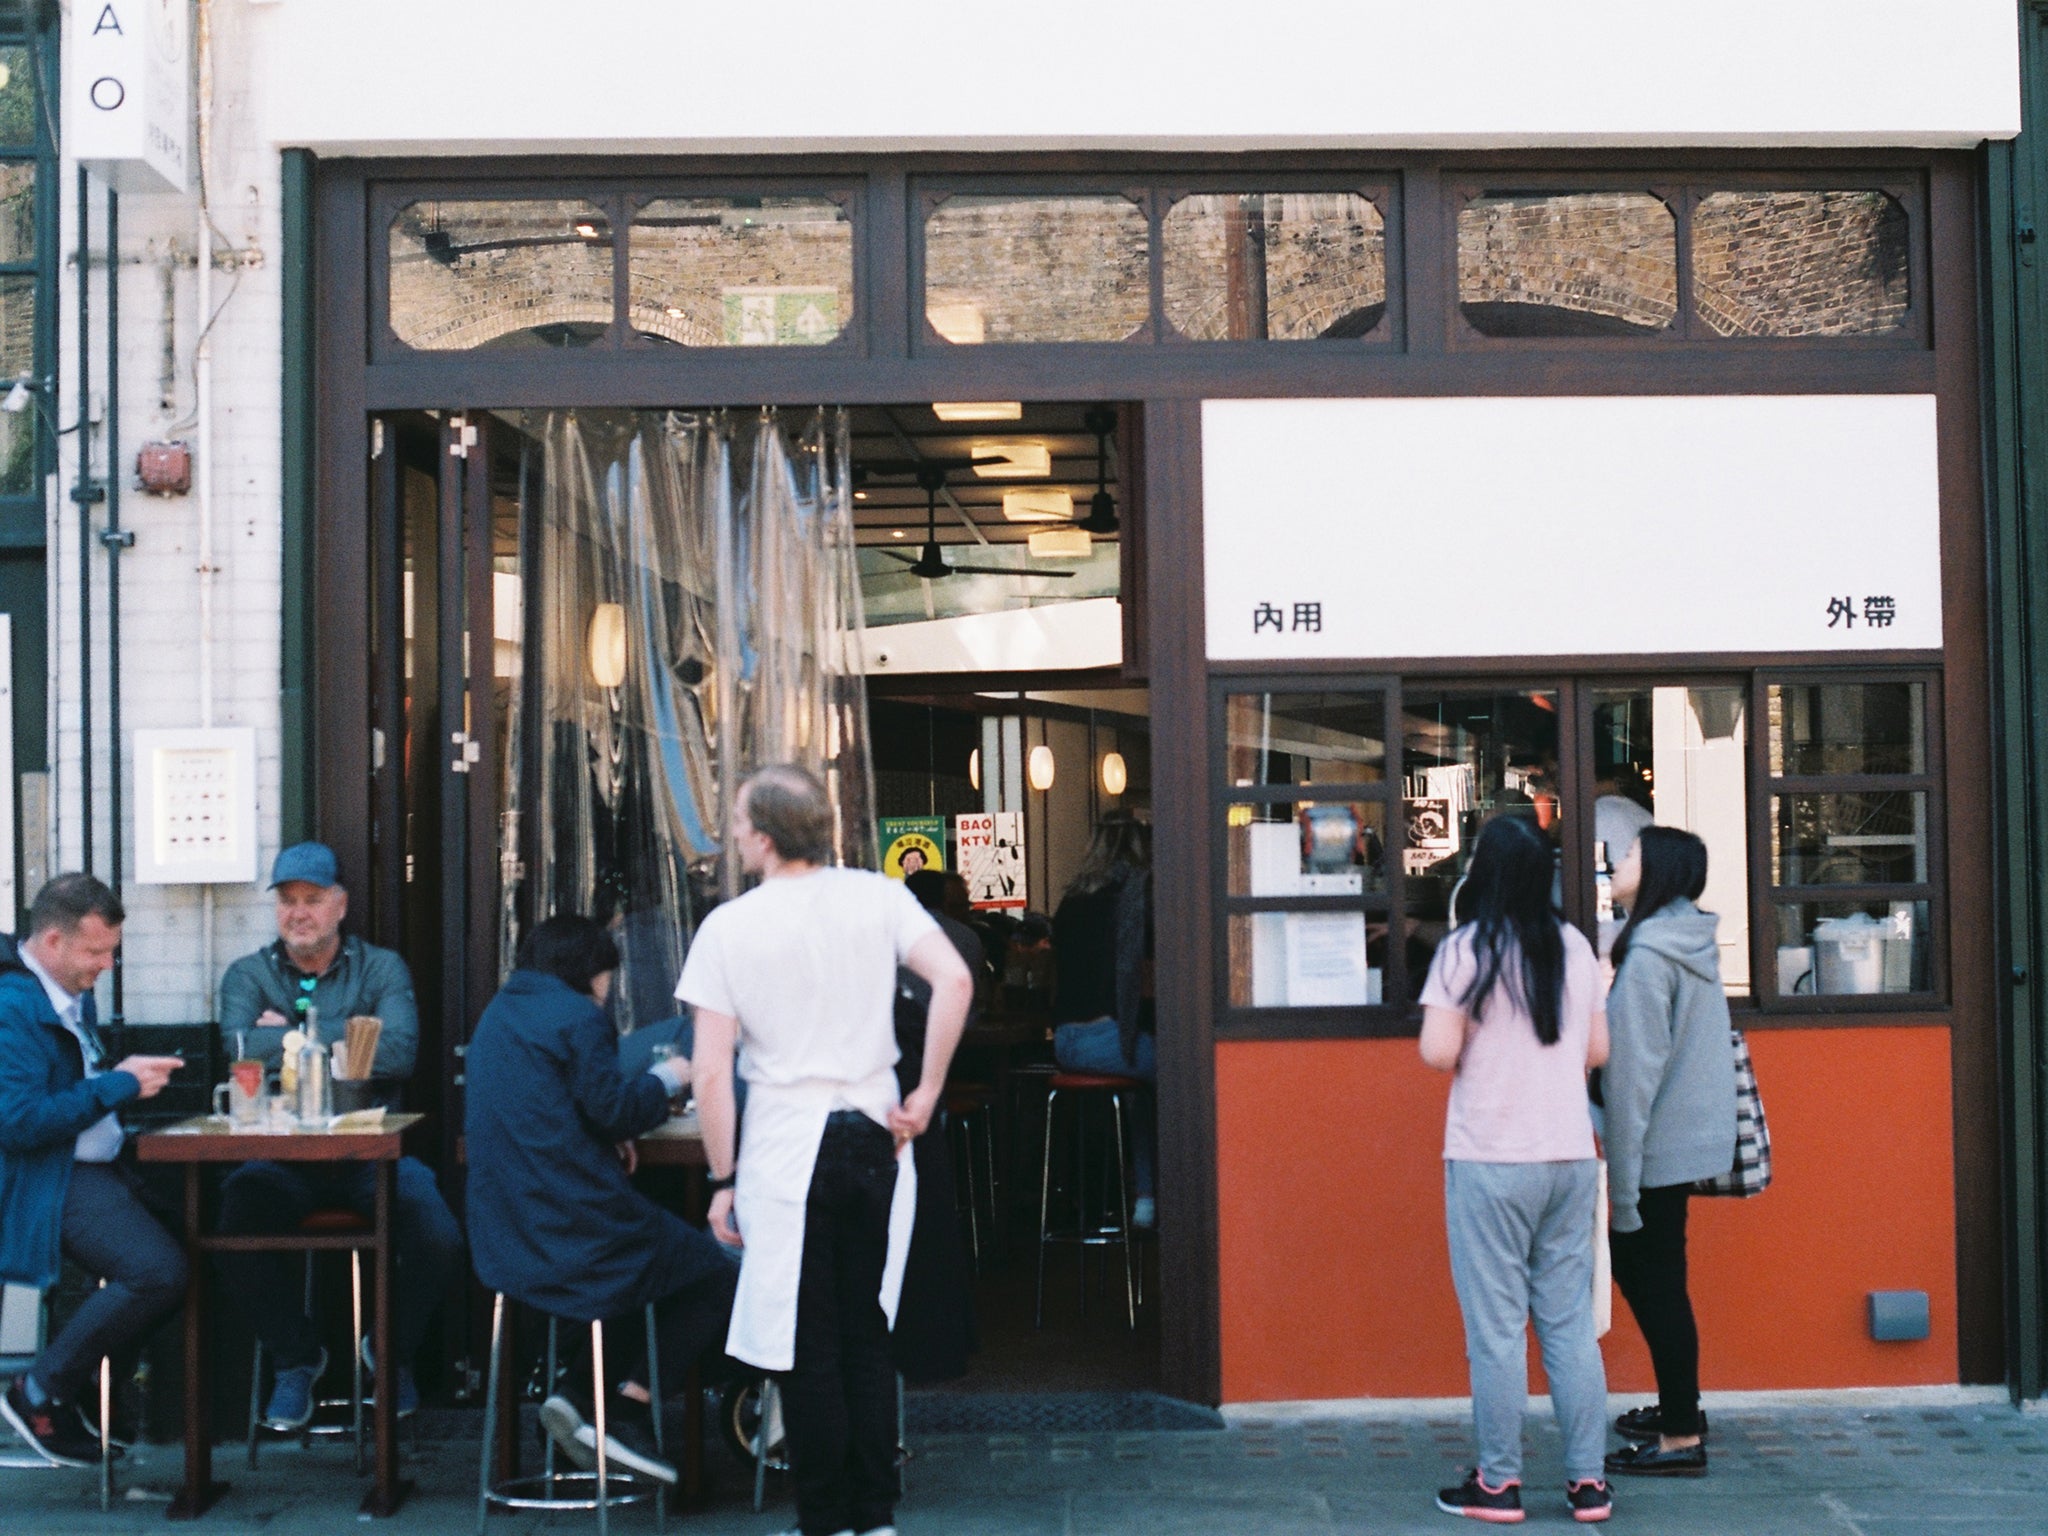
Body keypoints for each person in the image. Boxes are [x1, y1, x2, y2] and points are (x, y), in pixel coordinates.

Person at [685, 764, 972, 1536]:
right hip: (876, 1133)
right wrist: (928, 1091)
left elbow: (711, 1069)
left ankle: (826, 1519)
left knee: (804, 1342)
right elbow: (954, 980)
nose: (735, 834)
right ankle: (873, 1515)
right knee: (865, 1335)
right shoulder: (876, 896)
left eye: (741, 822)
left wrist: (722, 1177)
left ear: (767, 836)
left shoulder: (730, 927)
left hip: (787, 1146)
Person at [465, 913, 737, 1485]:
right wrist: (670, 1075)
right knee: (713, 1274)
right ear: (592, 973)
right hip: (575, 1230)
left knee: (641, 1275)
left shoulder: (498, 1015)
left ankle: (572, 1395)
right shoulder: (577, 1016)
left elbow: (559, 1105)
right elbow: (613, 1107)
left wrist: (607, 1130)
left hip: (506, 1238)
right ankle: (628, 1411)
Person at [213, 841, 462, 1428]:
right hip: (278, 1159)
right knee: (227, 1227)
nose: (298, 912)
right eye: (287, 901)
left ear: (340, 905)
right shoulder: (247, 973)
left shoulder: (381, 968)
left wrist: (288, 1038)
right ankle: (298, 1359)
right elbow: (236, 1047)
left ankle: (389, 1349)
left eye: (313, 900)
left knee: (440, 1235)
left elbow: (398, 1052)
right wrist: (347, 1042)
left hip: (366, 1155)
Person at [1417, 816, 1613, 1525]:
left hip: (1491, 1159)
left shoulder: (1467, 949)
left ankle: (1498, 1484)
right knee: (1566, 1325)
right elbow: (1596, 1051)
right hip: (1568, 1156)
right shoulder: (1576, 948)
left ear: (1483, 875)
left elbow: (1439, 1053)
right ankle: (1588, 1483)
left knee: (1497, 1330)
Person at [0, 874, 186, 1466]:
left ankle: (76, 1392)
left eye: (112, 951)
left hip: (91, 1167)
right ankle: (40, 1389)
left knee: (191, 1249)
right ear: (52, 941)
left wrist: (117, 1089)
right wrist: (118, 1083)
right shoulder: (13, 1006)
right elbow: (20, 1122)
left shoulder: (65, 991)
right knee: (158, 1272)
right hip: (46, 1178)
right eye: (96, 951)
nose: (106, 965)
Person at [1601, 826, 1738, 1478]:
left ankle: (1681, 1435)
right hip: (1685, 1143)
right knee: (1664, 1282)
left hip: (1656, 1149)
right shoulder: (1685, 941)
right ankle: (1680, 1407)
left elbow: (1630, 1086)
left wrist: (1622, 1196)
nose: (1615, 859)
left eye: (1628, 853)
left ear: (1655, 871)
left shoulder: (1652, 957)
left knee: (1649, 1280)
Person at [1049, 813, 1157, 1228]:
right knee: (1191, 1081)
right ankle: (1168, 1198)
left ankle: (1144, 1199)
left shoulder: (1070, 901)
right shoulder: (1139, 896)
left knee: (1139, 1094)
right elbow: (1148, 979)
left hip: (1066, 1043)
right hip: (1112, 1041)